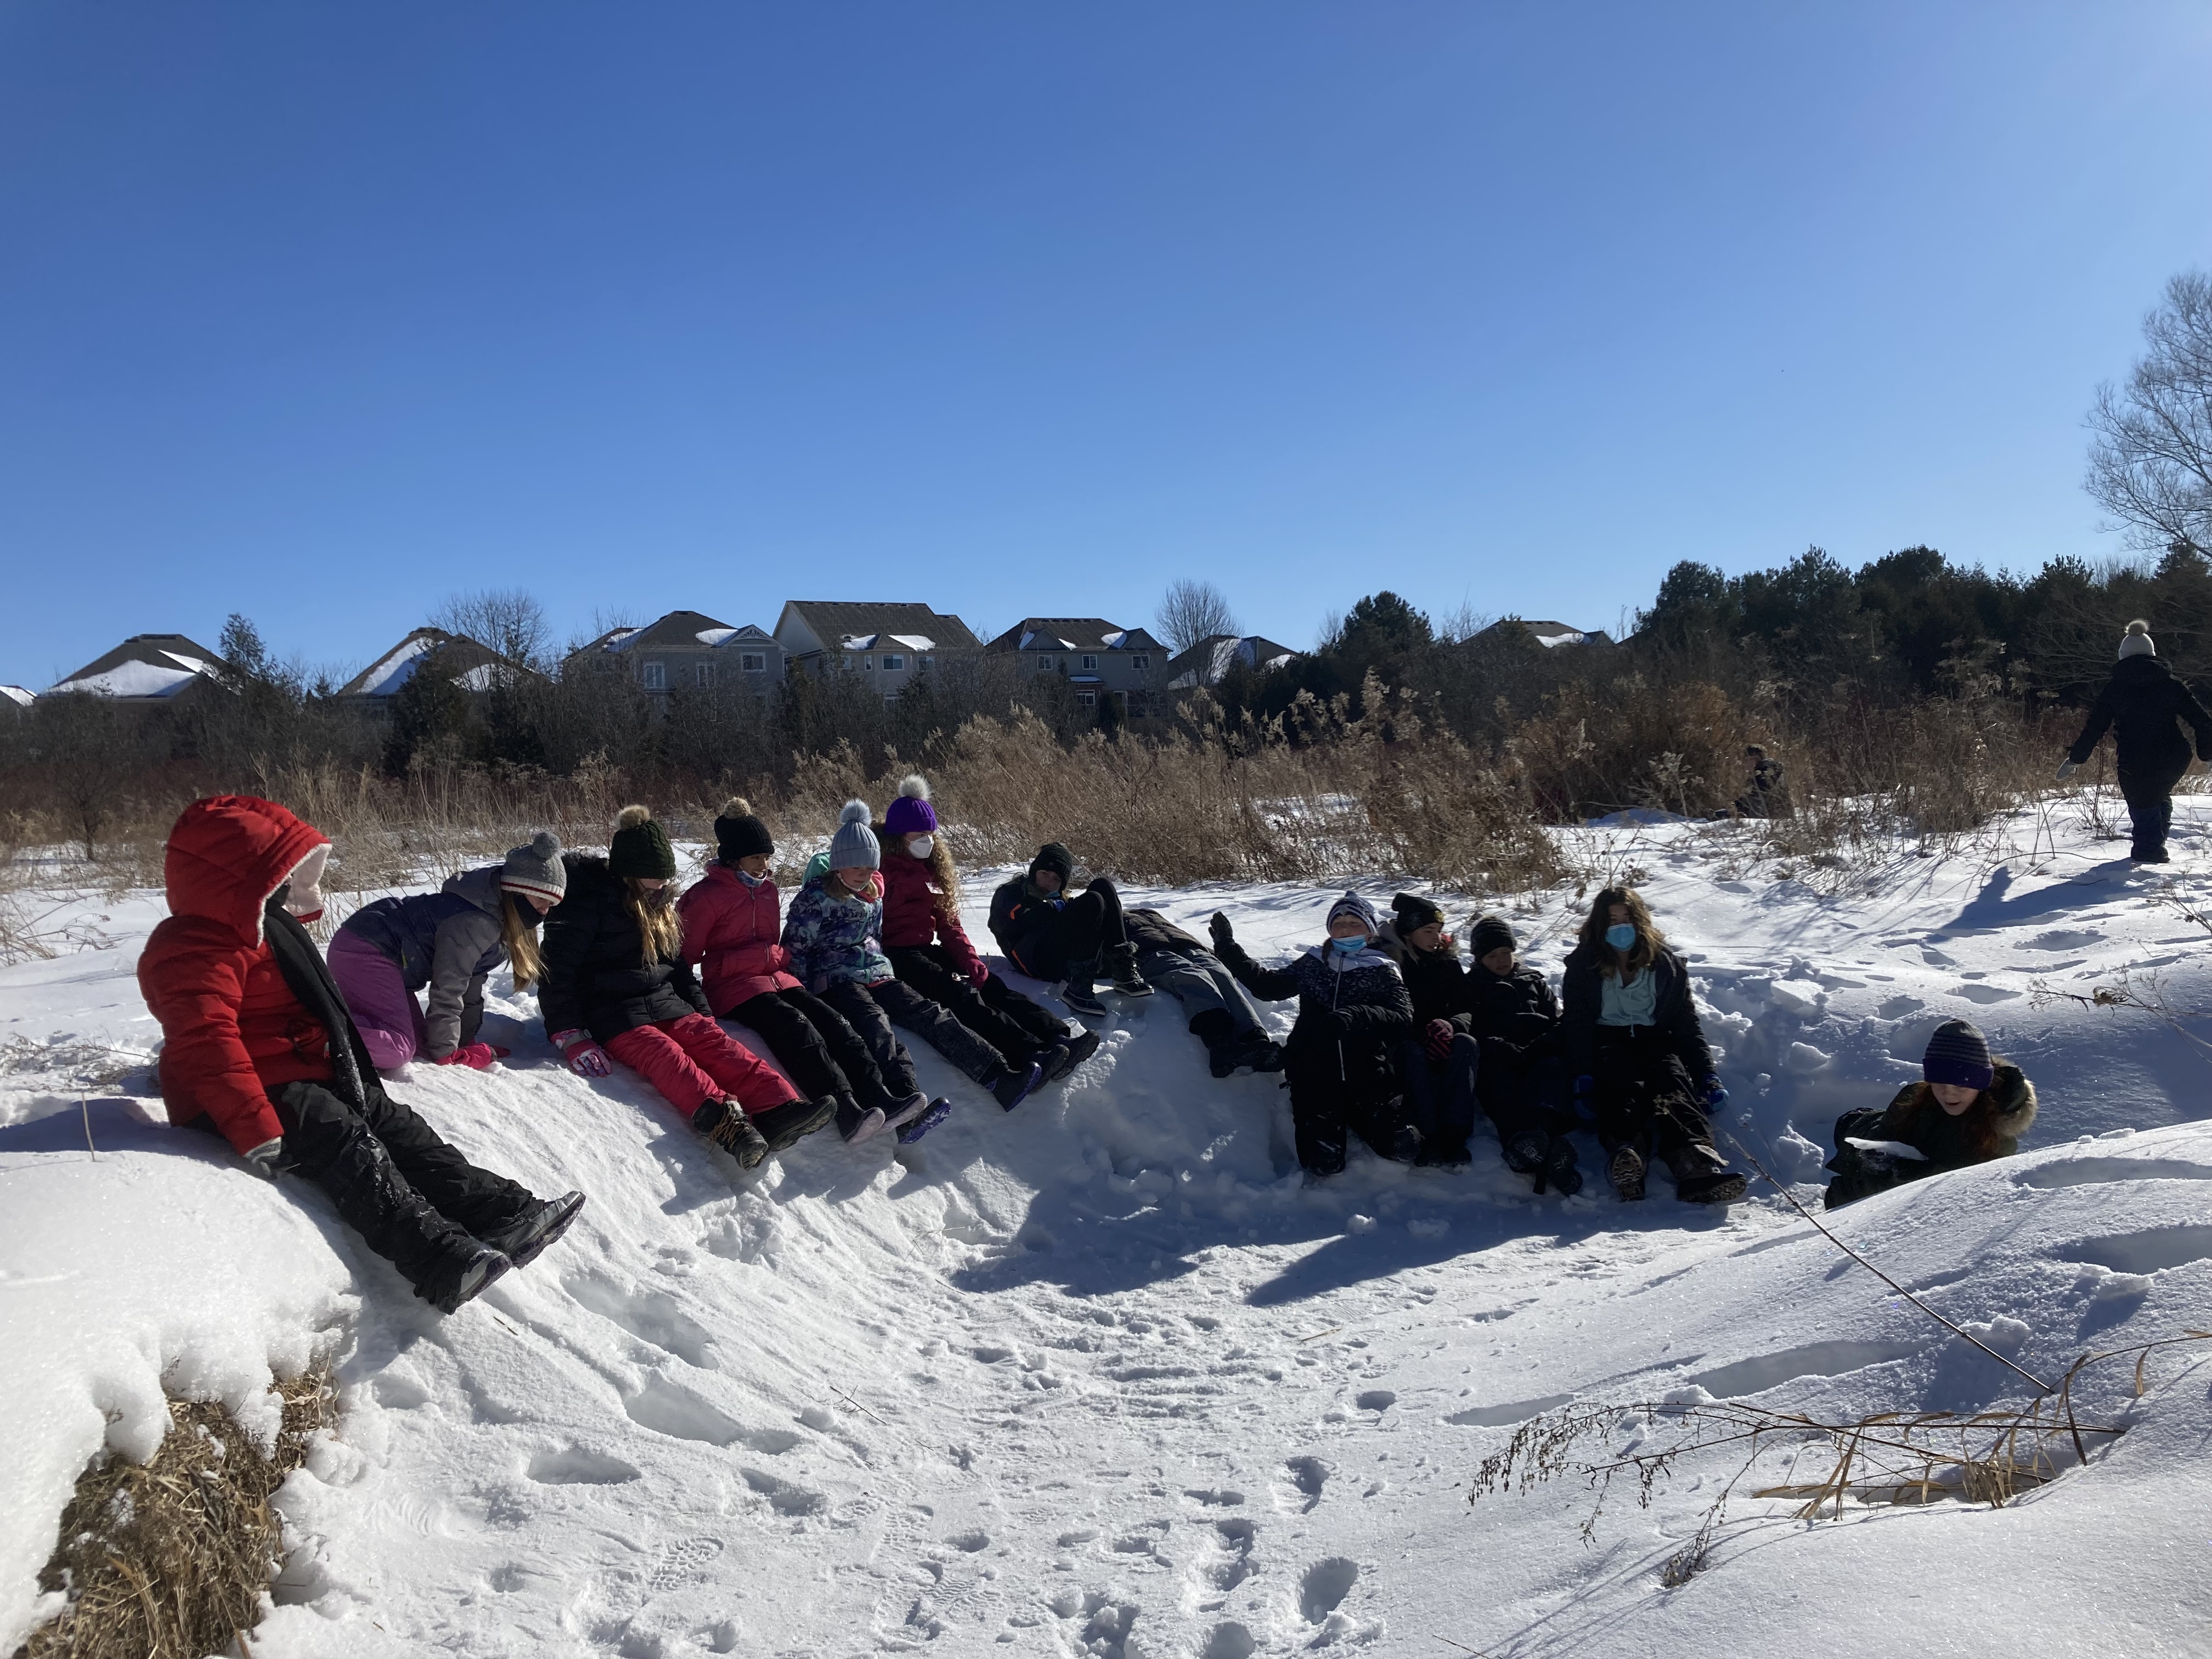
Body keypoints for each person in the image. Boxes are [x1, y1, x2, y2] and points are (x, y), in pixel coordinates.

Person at [138, 795, 584, 1314]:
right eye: (277, 873)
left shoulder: (268, 928)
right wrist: (252, 1125)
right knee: (345, 1138)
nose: (288, 884)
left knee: (395, 1123)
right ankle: (437, 1258)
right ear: (236, 876)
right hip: (247, 1095)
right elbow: (206, 1041)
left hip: (305, 1070)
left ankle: (503, 1212)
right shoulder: (192, 946)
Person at [541, 806, 830, 1171]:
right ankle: (729, 1127)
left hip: (665, 1001)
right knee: (668, 1059)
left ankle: (778, 1108)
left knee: (719, 1046)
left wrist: (700, 1007)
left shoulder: (659, 905)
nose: (662, 885)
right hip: (613, 1013)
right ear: (629, 873)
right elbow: (556, 973)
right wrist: (568, 1033)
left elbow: (676, 966)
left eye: (665, 877)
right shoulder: (585, 906)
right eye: (654, 878)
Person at [678, 797, 940, 1145]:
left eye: (767, 856)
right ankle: (847, 1110)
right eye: (756, 857)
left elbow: (775, 941)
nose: (764, 865)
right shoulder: (706, 896)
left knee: (837, 1025)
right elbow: (686, 955)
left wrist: (785, 968)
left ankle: (879, 1098)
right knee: (798, 1029)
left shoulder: (769, 891)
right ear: (733, 857)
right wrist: (695, 998)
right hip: (733, 985)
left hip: (777, 977)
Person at [786, 802, 1033, 1113]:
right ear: (837, 865)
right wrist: (803, 994)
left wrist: (883, 966)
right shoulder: (815, 898)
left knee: (930, 1014)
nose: (864, 875)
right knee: (876, 1025)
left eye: (870, 868)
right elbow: (795, 948)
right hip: (835, 978)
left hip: (877, 972)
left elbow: (873, 938)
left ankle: (996, 1076)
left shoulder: (873, 893)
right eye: (856, 867)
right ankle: (904, 1097)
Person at [874, 775, 1100, 1088]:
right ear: (899, 835)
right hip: (895, 956)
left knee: (990, 984)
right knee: (961, 997)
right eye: (919, 834)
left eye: (930, 833)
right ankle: (1029, 1052)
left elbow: (948, 923)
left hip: (927, 948)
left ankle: (1056, 1035)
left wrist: (970, 962)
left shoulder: (931, 870)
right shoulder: (878, 870)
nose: (927, 840)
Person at [1209, 892, 1417, 1178]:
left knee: (1403, 1149)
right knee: (1323, 1165)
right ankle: (1334, 1115)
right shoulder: (1314, 962)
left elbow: (1402, 1019)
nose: (1345, 929)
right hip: (1314, 1073)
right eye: (1338, 923)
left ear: (1369, 930)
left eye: (1354, 923)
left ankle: (1357, 1113)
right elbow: (1268, 987)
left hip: (1367, 1073)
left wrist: (1357, 1015)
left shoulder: (1383, 968)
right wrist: (1226, 946)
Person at [1559, 887, 1745, 1204]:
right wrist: (1582, 1074)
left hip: (1655, 1039)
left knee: (1672, 1082)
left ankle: (1695, 1165)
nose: (1620, 926)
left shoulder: (1664, 965)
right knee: (1620, 1088)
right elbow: (1576, 1023)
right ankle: (1629, 1158)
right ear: (1599, 924)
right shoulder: (1584, 966)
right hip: (1609, 1041)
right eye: (1611, 919)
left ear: (1640, 920)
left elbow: (1685, 1022)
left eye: (1627, 917)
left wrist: (1706, 1073)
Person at [326, 832, 568, 1074]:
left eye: (551, 905)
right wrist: (447, 1055)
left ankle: (344, 1022)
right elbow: (449, 986)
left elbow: (471, 986)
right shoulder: (476, 920)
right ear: (516, 889)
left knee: (422, 1045)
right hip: (367, 947)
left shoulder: (497, 920)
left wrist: (464, 1043)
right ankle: (316, 1034)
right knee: (397, 1049)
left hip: (382, 953)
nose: (545, 911)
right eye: (541, 900)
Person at [1824, 1020, 2038, 1209]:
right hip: (1858, 1208)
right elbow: (1881, 1135)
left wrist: (1924, 1176)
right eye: (1939, 1081)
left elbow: (1976, 1200)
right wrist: (1873, 1157)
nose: (1948, 1092)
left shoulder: (1996, 1132)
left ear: (1981, 1084)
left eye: (1962, 1084)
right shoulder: (1914, 1099)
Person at [2057, 620, 2212, 863]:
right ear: (2152, 654)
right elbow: (2203, 721)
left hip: (2135, 758)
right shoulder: (2171, 684)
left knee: (2143, 803)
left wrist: (2076, 759)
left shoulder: (2115, 688)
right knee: (2156, 795)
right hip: (2174, 756)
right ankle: (2154, 847)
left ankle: (2150, 854)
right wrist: (2208, 754)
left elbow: (2095, 728)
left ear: (2122, 657)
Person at [1462, 914, 1579, 1194]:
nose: (1501, 960)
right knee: (1499, 1082)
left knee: (1553, 1070)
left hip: (1538, 1051)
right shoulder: (1471, 986)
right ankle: (1522, 1143)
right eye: (1493, 955)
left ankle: (1540, 1141)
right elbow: (1469, 1024)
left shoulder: (1534, 981)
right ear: (1480, 958)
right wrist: (1499, 1046)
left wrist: (1544, 1043)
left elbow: (1559, 1020)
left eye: (1506, 953)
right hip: (1499, 1055)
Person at [1374, 894, 1482, 1172]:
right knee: (1411, 1053)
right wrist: (1421, 1034)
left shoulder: (1447, 963)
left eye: (1438, 931)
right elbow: (1385, 1012)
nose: (1437, 937)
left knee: (1466, 1043)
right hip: (1406, 1040)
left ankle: (1456, 1135)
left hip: (1445, 1037)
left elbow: (1467, 1007)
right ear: (1409, 934)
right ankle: (1429, 1136)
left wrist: (1452, 1026)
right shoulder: (1388, 962)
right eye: (1428, 931)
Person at [988, 843, 1151, 1018]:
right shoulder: (1011, 892)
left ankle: (1122, 968)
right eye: (1044, 874)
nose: (1048, 883)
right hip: (1034, 960)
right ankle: (1077, 987)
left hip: (1062, 956)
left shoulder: (1058, 899)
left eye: (1056, 879)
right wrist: (1058, 909)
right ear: (1034, 871)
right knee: (1093, 900)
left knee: (1102, 886)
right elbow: (1025, 919)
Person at [1122, 906, 1283, 1078]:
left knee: (1222, 976)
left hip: (1191, 947)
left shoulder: (1150, 912)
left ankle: (1256, 1040)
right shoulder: (1113, 917)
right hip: (1150, 952)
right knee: (1192, 976)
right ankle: (1221, 1044)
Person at [1734, 746, 1792, 819]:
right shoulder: (1770, 771)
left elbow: (1756, 801)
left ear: (1755, 760)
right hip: (1780, 822)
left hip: (1770, 823)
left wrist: (1735, 809)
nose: (1745, 764)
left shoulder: (1765, 775)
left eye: (1747, 760)